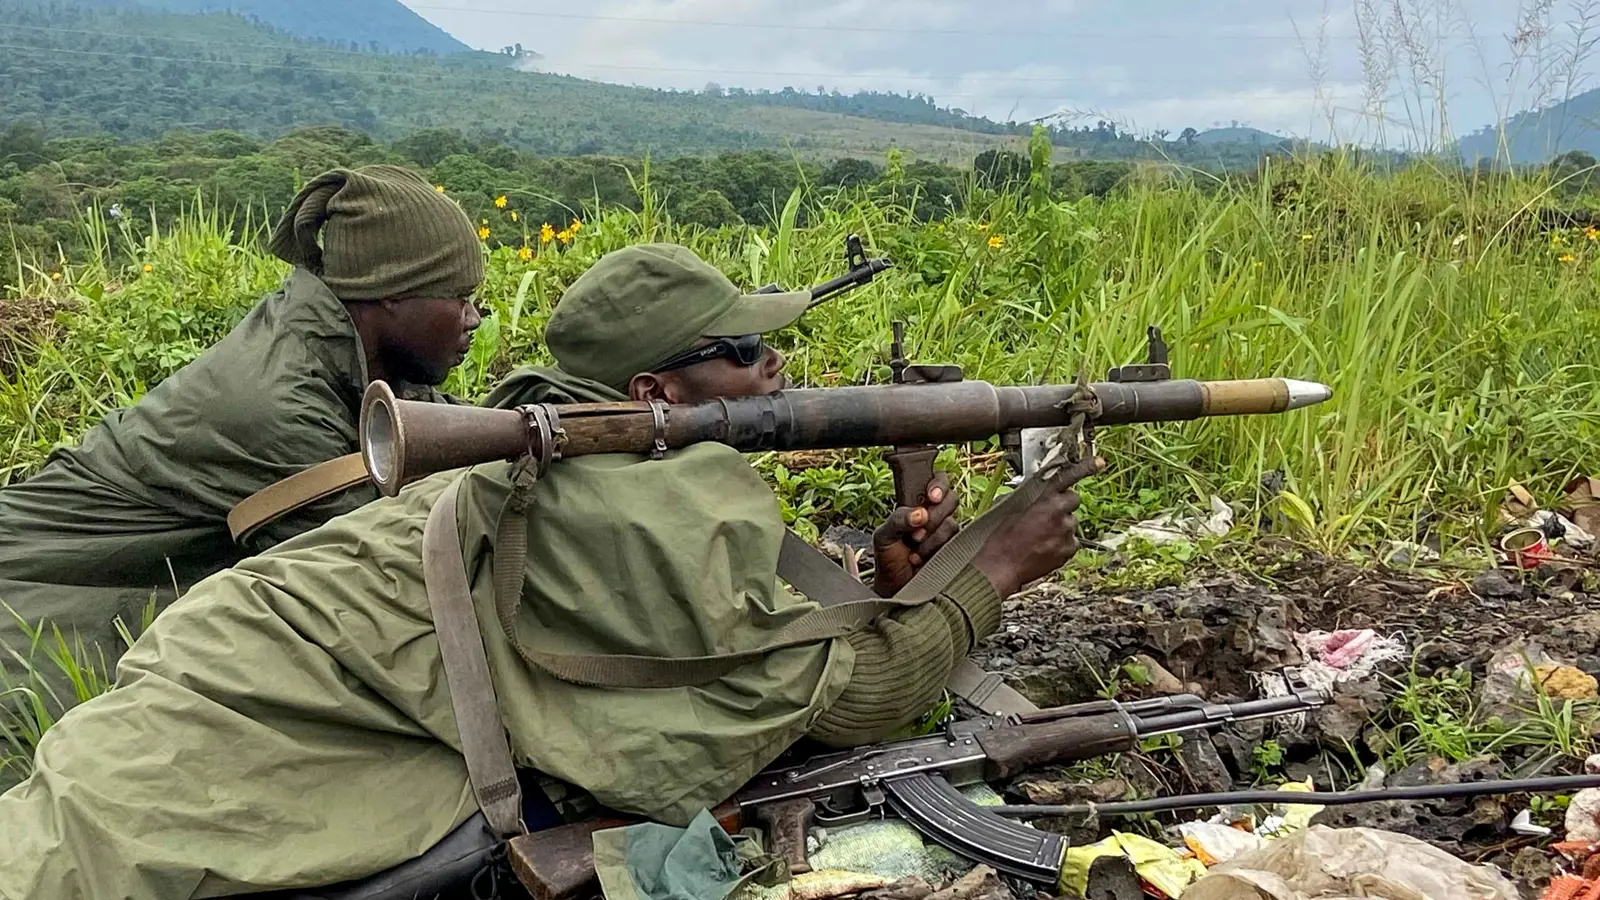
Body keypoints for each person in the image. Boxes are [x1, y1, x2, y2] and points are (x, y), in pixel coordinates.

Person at [0, 243, 1101, 900]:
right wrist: (991, 568)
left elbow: (722, 625)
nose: (777, 372)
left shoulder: (553, 437)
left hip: (229, 661)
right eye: (746, 354)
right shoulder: (636, 498)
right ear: (654, 392)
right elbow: (853, 695)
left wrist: (878, 577)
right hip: (247, 715)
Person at [0, 164, 485, 729]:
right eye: (460, 297)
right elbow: (391, 577)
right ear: (393, 295)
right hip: (39, 591)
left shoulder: (360, 353)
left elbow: (459, 442)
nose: (474, 318)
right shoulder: (279, 403)